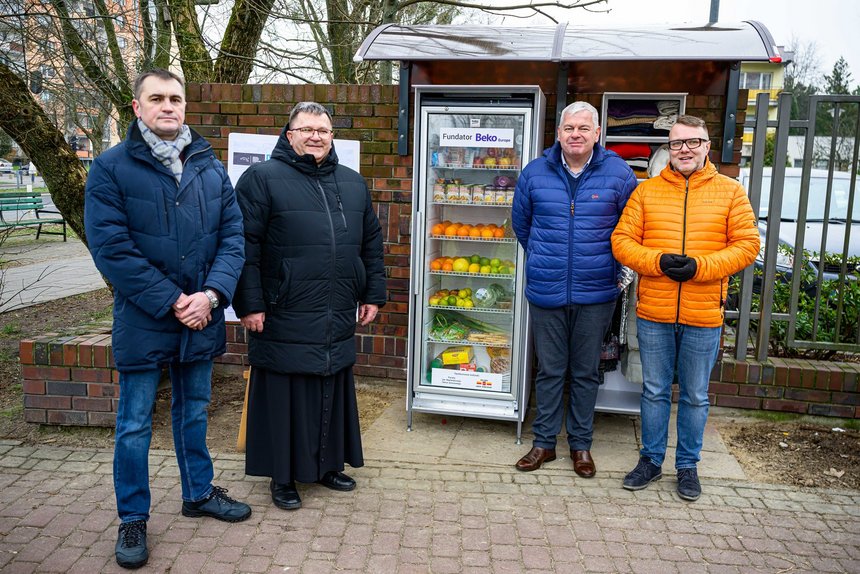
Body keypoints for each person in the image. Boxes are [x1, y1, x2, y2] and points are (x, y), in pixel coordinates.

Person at [84, 68, 249, 569]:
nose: (168, 106)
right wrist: (175, 300)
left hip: (202, 313)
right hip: (146, 316)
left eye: (175, 98)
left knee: (194, 411)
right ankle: (133, 517)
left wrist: (212, 295)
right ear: (137, 107)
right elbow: (111, 248)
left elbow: (233, 237)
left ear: (185, 107)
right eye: (156, 98)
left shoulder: (208, 166)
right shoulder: (111, 167)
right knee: (134, 423)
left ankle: (198, 493)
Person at [233, 101, 386, 511]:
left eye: (323, 130)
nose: (316, 136)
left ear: (332, 137)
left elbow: (371, 244)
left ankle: (327, 466)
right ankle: (282, 476)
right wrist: (249, 303)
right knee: (286, 394)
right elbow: (243, 246)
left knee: (330, 385)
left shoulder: (352, 183)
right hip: (283, 308)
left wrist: (372, 293)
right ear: (289, 135)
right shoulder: (261, 178)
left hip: (336, 307)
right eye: (307, 129)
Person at [611, 114, 760, 501]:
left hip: (703, 312)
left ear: (707, 146)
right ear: (669, 149)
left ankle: (688, 466)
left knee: (695, 395)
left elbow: (747, 245)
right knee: (655, 391)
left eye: (693, 142)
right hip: (655, 312)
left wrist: (700, 267)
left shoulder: (730, 192)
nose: (685, 149)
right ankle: (650, 460)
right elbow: (622, 241)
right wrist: (657, 261)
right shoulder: (646, 192)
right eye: (677, 143)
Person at [511, 101, 637, 477]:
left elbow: (630, 227)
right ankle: (544, 443)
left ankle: (581, 445)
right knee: (550, 370)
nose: (576, 134)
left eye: (583, 128)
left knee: (585, 372)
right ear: (559, 133)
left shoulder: (619, 173)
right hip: (546, 289)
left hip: (596, 291)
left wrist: (611, 268)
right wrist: (544, 257)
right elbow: (522, 225)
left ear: (597, 133)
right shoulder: (535, 172)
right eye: (569, 128)